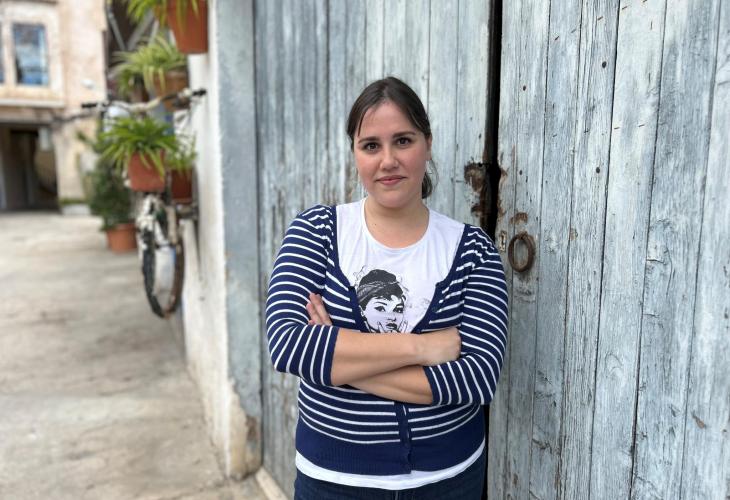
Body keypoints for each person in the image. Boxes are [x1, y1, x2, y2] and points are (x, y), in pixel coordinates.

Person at [265, 76, 508, 499]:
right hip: (335, 482)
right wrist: (422, 348)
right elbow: (288, 345)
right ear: (355, 153)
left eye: (403, 141)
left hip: (449, 481)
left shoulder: (472, 250)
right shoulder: (317, 233)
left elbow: (478, 377)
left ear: (427, 144)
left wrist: (337, 361)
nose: (388, 160)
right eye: (371, 145)